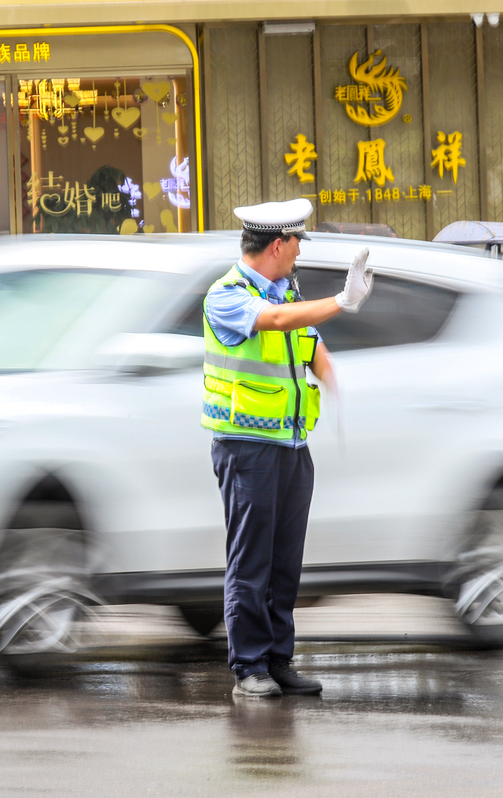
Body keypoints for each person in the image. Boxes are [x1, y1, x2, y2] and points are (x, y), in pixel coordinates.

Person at [202, 198, 374, 699]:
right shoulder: (228, 295)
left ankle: (278, 661)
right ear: (278, 244)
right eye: (297, 242)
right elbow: (275, 322)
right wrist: (341, 302)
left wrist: (332, 378)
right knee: (251, 564)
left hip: (292, 446)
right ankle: (248, 668)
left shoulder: (284, 292)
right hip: (247, 446)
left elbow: (312, 348)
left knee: (284, 565)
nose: (300, 253)